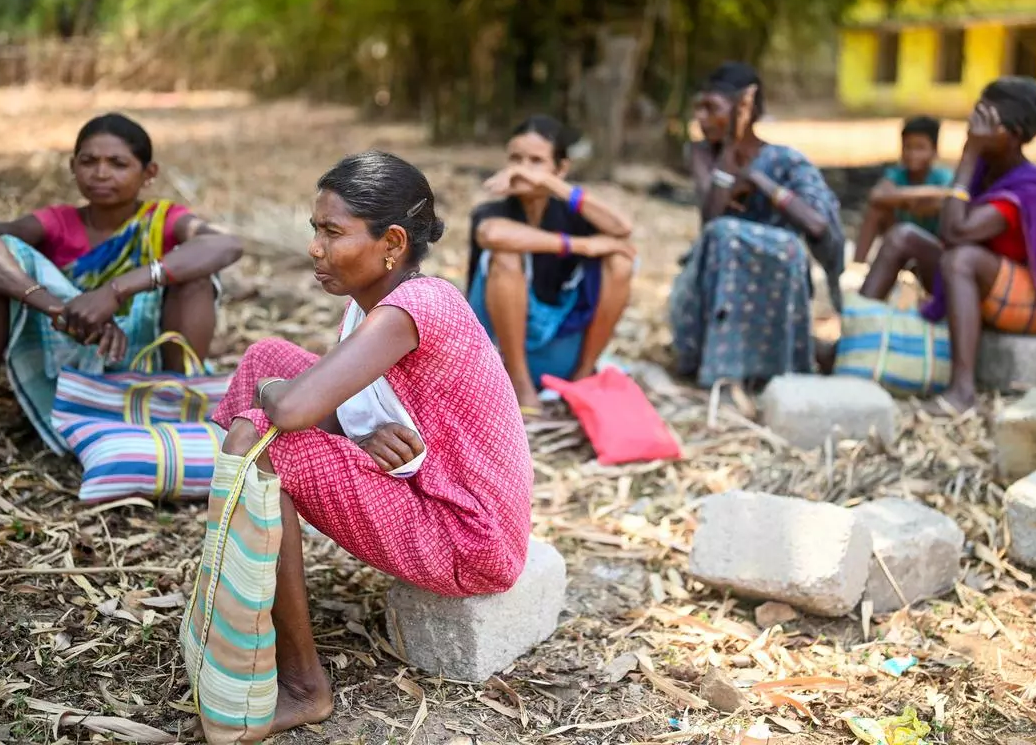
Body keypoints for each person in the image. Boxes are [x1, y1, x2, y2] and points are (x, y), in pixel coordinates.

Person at [212, 151, 534, 736]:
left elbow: (288, 408)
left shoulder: (417, 306)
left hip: (468, 540)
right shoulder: (379, 305)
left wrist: (273, 398)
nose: (315, 248)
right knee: (266, 356)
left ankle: (304, 686)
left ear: (391, 241)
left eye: (332, 232)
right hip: (431, 495)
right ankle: (238, 568)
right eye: (316, 229)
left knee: (264, 435)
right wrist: (328, 419)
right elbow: (327, 406)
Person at [0, 113, 242, 486]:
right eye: (88, 161)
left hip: (148, 360)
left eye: (117, 163)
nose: (100, 173)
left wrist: (115, 291)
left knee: (195, 278)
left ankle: (177, 409)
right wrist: (60, 309)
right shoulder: (58, 223)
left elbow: (226, 244)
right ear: (72, 167)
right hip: (72, 353)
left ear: (149, 173)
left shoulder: (162, 220)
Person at [857, 77, 1036, 414]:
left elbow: (955, 233)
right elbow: (949, 224)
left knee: (960, 259)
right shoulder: (985, 170)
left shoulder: (1031, 186)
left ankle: (962, 391)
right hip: (995, 282)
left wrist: (968, 154)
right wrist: (971, 161)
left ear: (1010, 134)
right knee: (902, 237)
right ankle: (855, 340)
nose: (973, 125)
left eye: (985, 119)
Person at [670, 61, 845, 390]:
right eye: (699, 108)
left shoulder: (785, 161)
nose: (701, 119)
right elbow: (712, 219)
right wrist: (731, 154)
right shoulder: (702, 154)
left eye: (712, 109)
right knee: (724, 236)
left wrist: (760, 182)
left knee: (783, 246)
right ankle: (719, 368)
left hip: (776, 280)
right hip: (712, 278)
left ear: (745, 112)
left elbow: (818, 225)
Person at [467, 115, 635, 416]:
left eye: (536, 161)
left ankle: (583, 375)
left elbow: (622, 228)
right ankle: (520, 387)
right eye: (515, 159)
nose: (523, 170)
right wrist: (580, 245)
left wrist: (551, 184)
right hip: (497, 355)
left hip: (557, 348)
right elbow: (492, 234)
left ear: (561, 168)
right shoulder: (492, 211)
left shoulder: (572, 212)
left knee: (620, 263)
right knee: (504, 254)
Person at [853, 116, 954, 262]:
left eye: (920, 148)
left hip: (934, 247)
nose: (912, 154)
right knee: (877, 209)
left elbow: (945, 196)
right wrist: (914, 200)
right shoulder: (897, 174)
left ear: (934, 150)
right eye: (908, 147)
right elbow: (876, 196)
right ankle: (857, 265)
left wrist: (901, 198)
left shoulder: (942, 176)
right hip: (899, 241)